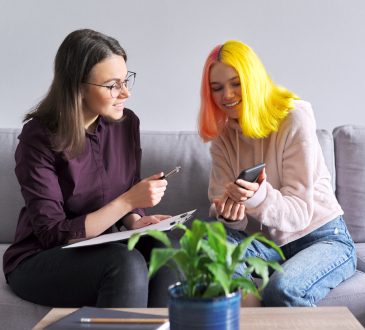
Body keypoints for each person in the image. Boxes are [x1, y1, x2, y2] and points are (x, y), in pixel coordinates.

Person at [3, 29, 177, 308]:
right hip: (41, 256)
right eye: (112, 85)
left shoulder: (127, 124)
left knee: (167, 248)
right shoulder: (38, 138)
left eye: (126, 80)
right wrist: (129, 201)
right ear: (78, 87)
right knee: (125, 263)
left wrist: (135, 219)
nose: (126, 92)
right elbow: (52, 233)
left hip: (104, 245)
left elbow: (126, 186)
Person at [198, 40, 357, 307]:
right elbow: (223, 210)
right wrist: (228, 213)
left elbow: (299, 214)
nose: (227, 95)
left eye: (236, 83)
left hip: (322, 238)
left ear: (253, 79)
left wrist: (257, 196)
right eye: (217, 88)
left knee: (281, 290)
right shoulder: (223, 138)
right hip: (268, 246)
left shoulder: (294, 117)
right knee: (210, 242)